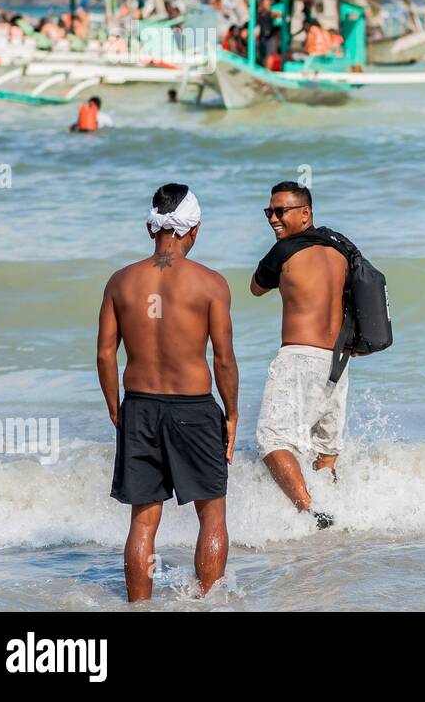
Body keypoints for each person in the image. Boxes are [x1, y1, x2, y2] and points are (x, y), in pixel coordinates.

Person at [97, 184, 238, 601]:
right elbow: (224, 359)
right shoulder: (211, 284)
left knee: (143, 520)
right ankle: (206, 604)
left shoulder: (121, 281)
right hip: (193, 408)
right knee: (211, 514)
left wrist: (115, 410)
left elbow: (106, 355)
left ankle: (139, 608)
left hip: (139, 406)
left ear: (149, 228)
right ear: (194, 229)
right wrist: (231, 414)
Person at [250, 182, 350, 528]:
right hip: (338, 362)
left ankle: (310, 514)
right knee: (325, 449)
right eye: (269, 212)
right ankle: (337, 517)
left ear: (305, 213)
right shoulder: (342, 249)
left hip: (299, 357)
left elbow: (256, 287)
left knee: (271, 440)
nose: (273, 219)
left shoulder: (284, 251)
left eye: (281, 212)